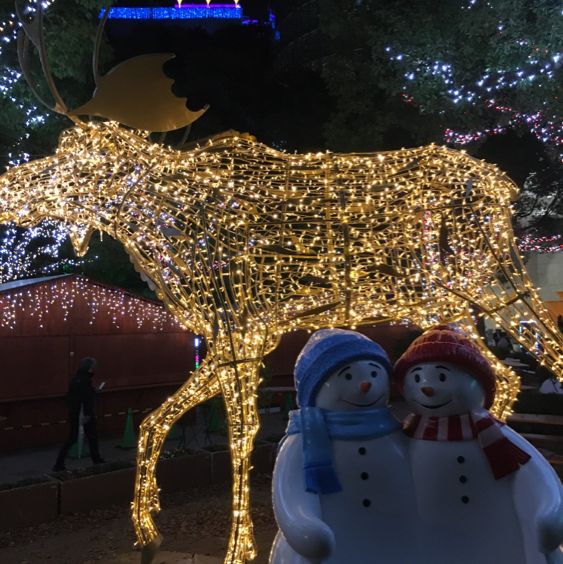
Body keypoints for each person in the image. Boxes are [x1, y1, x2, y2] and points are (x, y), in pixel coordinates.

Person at [53, 357, 105, 471]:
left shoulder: (76, 379)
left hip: (75, 413)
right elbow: (86, 398)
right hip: (84, 414)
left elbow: (73, 397)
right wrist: (87, 413)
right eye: (93, 367)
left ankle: (59, 463)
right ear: (89, 368)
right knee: (92, 437)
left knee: (72, 438)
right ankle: (96, 459)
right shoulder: (85, 380)